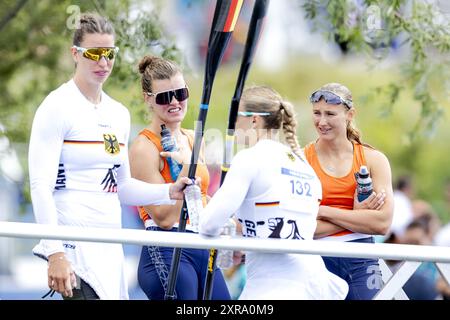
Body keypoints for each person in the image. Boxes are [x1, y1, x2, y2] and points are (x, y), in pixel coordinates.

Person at [28, 13, 193, 300]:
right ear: (75, 54)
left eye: (109, 54)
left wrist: (170, 191)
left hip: (110, 242)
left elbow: (124, 188)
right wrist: (55, 252)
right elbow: (40, 186)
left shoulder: (118, 113)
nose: (103, 63)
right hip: (71, 247)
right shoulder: (55, 106)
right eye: (94, 54)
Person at [199, 86, 348, 300]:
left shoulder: (249, 158)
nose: (232, 124)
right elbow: (278, 220)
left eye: (235, 116)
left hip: (273, 287)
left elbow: (207, 224)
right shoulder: (303, 165)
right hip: (313, 286)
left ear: (254, 120)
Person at [128, 55, 230, 300]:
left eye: (180, 93)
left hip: (202, 245)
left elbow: (202, 198)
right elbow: (163, 217)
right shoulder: (144, 147)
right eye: (164, 97)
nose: (174, 102)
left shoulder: (194, 139)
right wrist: (187, 164)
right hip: (166, 248)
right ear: (148, 100)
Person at [304, 82, 394, 300]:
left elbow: (381, 224)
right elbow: (303, 228)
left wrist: (324, 211)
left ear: (350, 115)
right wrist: (358, 216)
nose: (322, 121)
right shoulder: (301, 159)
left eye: (330, 114)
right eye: (317, 113)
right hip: (314, 260)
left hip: (361, 260)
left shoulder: (374, 159)